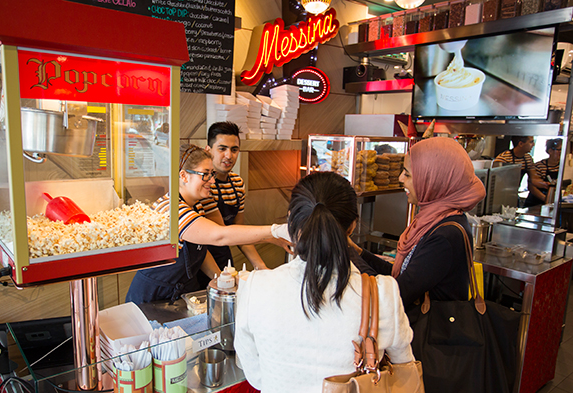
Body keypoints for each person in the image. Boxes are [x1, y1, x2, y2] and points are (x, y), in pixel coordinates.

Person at [234, 172, 414, 393]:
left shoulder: (255, 287)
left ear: (291, 219)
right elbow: (405, 371)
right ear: (352, 227)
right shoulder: (382, 293)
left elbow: (254, 374)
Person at [125, 144, 291, 305]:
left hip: (180, 293)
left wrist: (220, 279)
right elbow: (219, 235)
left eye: (212, 173)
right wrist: (275, 231)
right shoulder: (171, 209)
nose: (212, 180)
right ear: (183, 176)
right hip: (153, 297)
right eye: (205, 174)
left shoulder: (196, 205)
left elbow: (200, 250)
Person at [349, 137, 486, 308]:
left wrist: (350, 256)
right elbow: (400, 275)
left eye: (407, 174)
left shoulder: (445, 235)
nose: (400, 179)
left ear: (434, 180)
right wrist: (358, 251)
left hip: (431, 330)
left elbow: (399, 294)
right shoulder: (433, 219)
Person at [197, 122, 267, 288]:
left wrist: (262, 268)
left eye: (234, 149)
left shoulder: (238, 183)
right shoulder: (202, 185)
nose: (228, 155)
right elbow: (221, 233)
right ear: (208, 150)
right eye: (222, 149)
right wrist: (220, 278)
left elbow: (239, 230)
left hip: (223, 259)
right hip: (199, 261)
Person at [493, 136, 549, 207]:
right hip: (499, 197)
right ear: (521, 144)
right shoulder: (503, 158)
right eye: (531, 142)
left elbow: (534, 179)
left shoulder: (528, 159)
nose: (533, 144)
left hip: (514, 196)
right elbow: (495, 182)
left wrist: (546, 184)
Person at [524, 138, 562, 206]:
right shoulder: (539, 166)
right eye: (559, 150)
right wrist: (546, 199)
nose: (562, 152)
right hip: (535, 203)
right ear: (550, 151)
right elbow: (532, 186)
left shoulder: (562, 167)